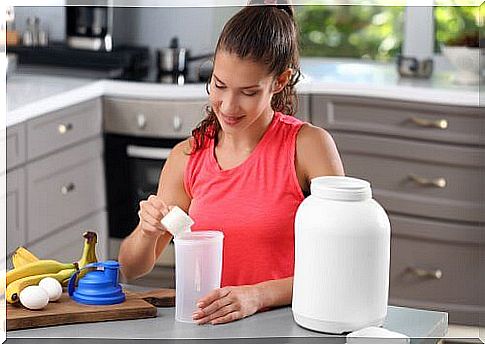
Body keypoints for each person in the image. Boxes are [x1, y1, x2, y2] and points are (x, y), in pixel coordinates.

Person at [118, 4, 344, 325]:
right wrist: (147, 230)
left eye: (248, 92)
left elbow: (338, 264)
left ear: (279, 81)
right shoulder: (188, 157)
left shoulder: (308, 147)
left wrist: (256, 295)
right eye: (219, 85)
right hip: (208, 329)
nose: (228, 106)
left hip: (290, 327)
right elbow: (131, 268)